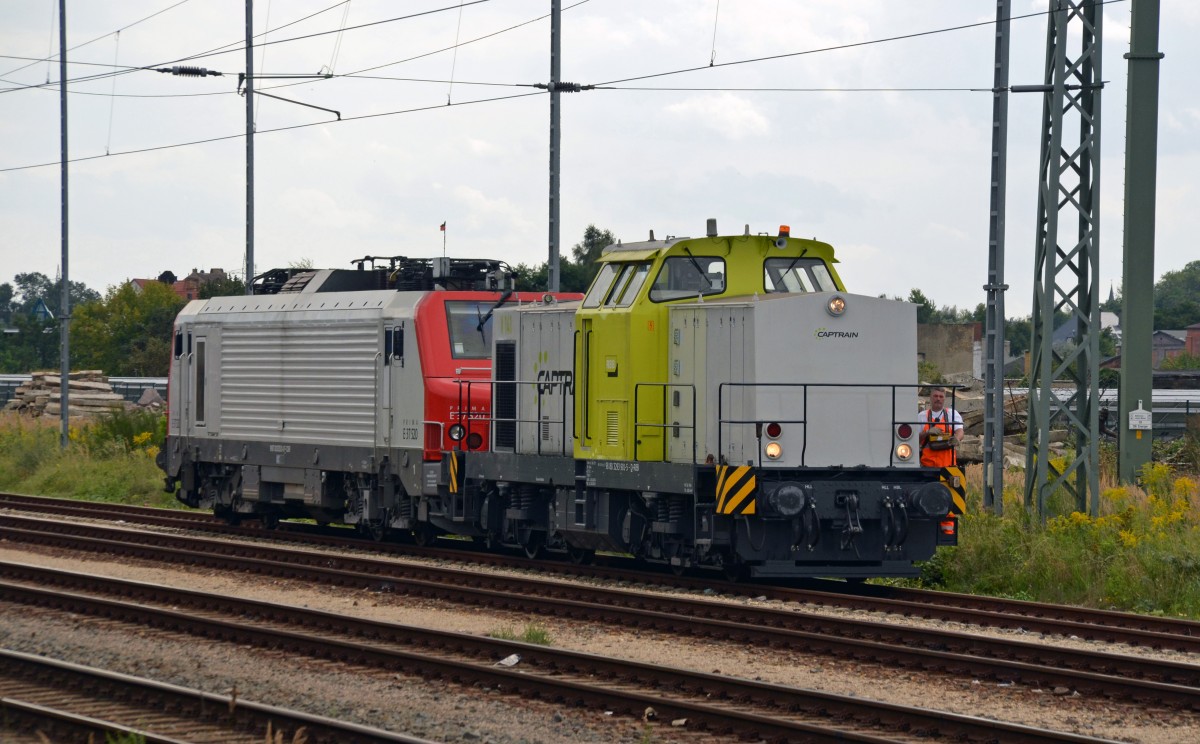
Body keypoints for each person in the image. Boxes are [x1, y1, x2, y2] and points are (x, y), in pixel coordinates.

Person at [917, 386, 964, 468]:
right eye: (935, 396)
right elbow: (915, 439)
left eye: (941, 396)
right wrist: (927, 432)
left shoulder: (952, 414)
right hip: (927, 465)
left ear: (944, 398)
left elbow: (960, 431)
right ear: (930, 398)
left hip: (948, 466)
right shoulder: (922, 416)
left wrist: (957, 438)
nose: (938, 399)